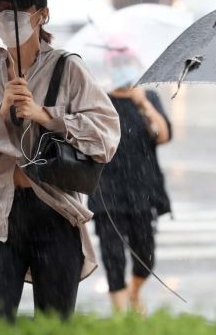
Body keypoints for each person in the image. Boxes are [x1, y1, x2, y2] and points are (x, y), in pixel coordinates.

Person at [0, 0, 120, 322]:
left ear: (42, 15)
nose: (5, 18)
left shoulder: (68, 67)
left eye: (14, 11)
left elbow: (106, 135)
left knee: (54, 325)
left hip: (55, 212)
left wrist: (45, 115)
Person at [88, 81, 172, 314]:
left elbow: (163, 135)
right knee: (113, 256)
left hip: (142, 191)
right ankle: (121, 317)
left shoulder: (148, 98)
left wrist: (142, 102)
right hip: (107, 192)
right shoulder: (99, 101)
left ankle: (134, 293)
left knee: (146, 255)